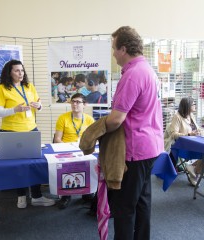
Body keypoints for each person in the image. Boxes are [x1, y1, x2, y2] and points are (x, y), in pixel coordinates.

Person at [105, 26, 164, 240]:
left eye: (114, 48)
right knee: (142, 202)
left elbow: (116, 119)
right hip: (150, 147)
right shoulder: (148, 70)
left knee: (123, 207)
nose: (113, 54)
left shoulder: (132, 75)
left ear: (123, 49)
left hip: (135, 150)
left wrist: (97, 129)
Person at [0, 59, 55, 209]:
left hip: (31, 128)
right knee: (17, 165)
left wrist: (38, 106)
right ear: (9, 72)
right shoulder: (2, 88)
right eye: (16, 70)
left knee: (35, 163)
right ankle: (21, 196)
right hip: (12, 130)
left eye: (22, 70)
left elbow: (39, 105)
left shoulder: (29, 86)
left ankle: (36, 196)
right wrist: (15, 109)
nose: (20, 73)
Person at [54, 93, 95, 209]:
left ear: (84, 105)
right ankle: (66, 196)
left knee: (90, 163)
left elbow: (93, 138)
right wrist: (70, 149)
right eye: (73, 101)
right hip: (66, 149)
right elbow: (57, 139)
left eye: (78, 102)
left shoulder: (89, 119)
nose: (74, 104)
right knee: (67, 164)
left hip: (83, 149)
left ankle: (87, 192)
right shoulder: (63, 118)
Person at [164, 97, 203, 186]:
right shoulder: (177, 117)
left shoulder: (191, 115)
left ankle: (193, 168)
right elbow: (174, 134)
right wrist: (189, 134)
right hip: (181, 145)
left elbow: (196, 129)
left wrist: (199, 131)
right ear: (187, 106)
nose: (195, 106)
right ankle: (194, 169)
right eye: (193, 104)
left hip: (193, 142)